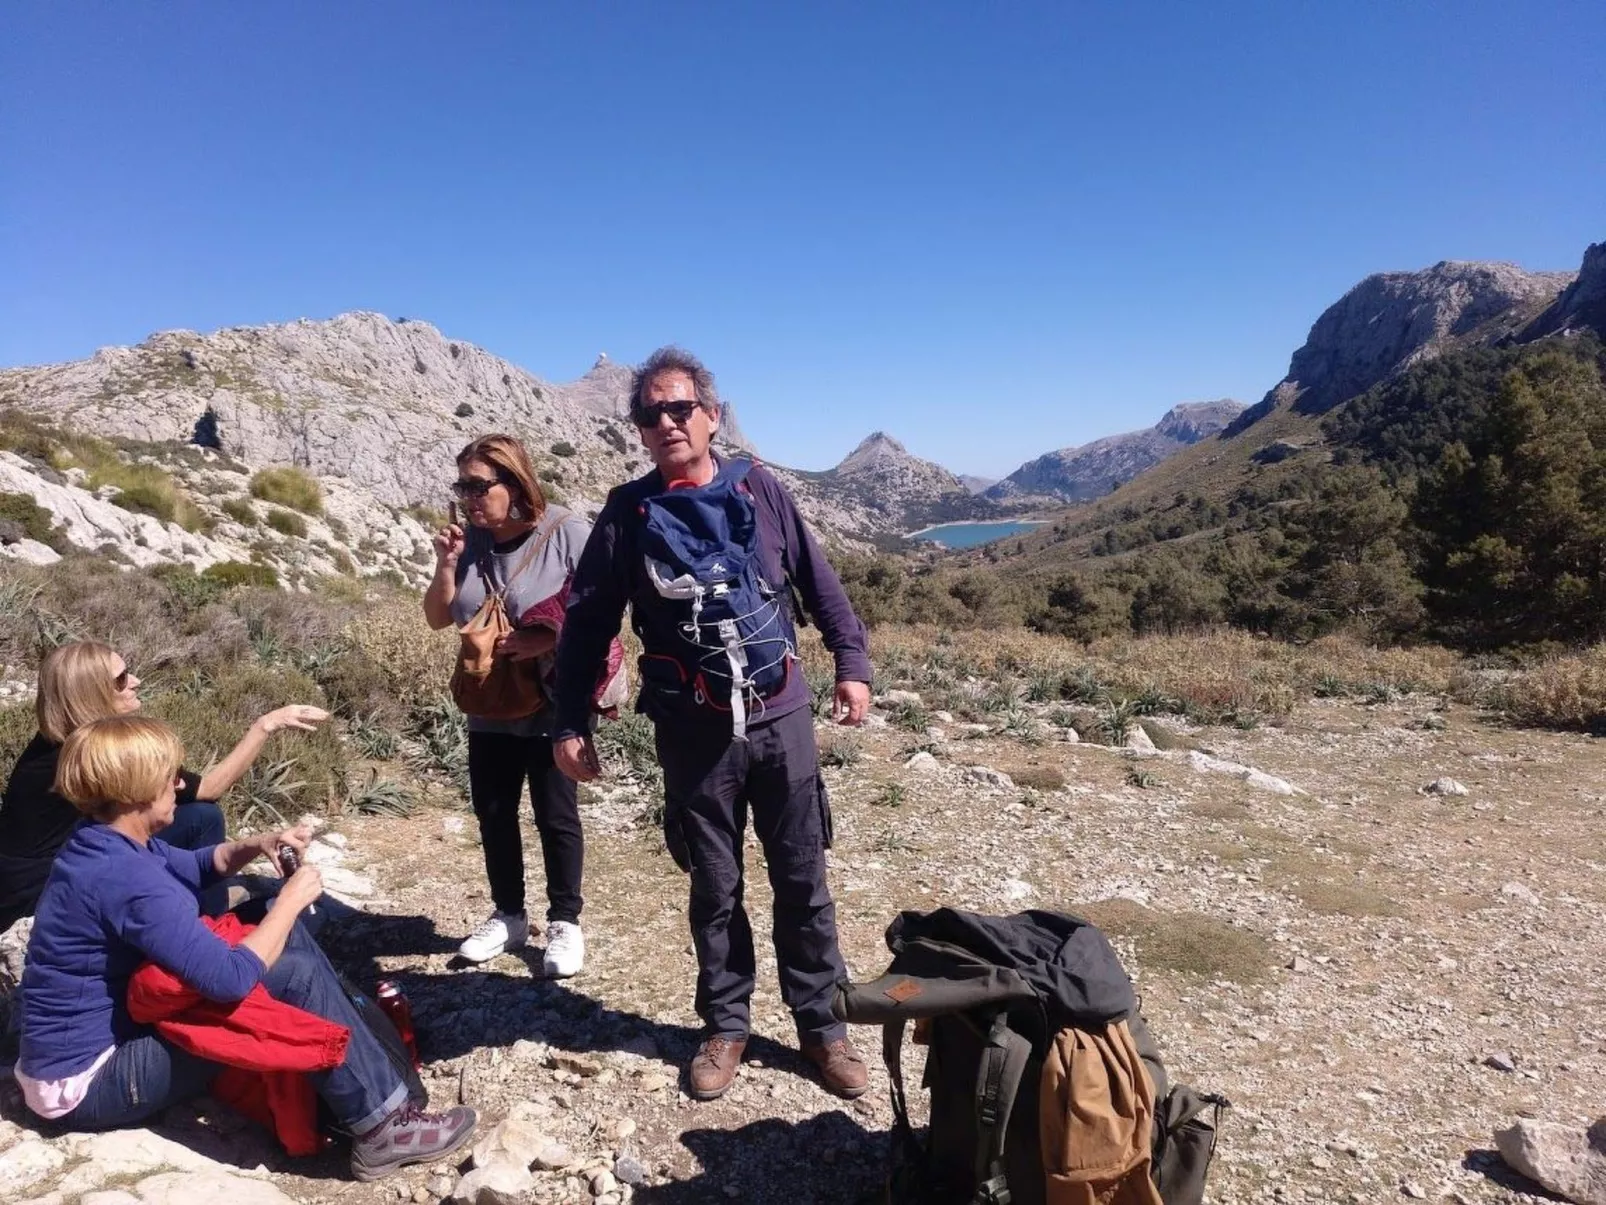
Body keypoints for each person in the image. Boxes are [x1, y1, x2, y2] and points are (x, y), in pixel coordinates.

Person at [552, 347, 874, 1101]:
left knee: (804, 878)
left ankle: (823, 1029)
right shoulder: (626, 514)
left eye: (680, 408)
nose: (666, 422)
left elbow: (819, 584)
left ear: (711, 416)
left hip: (781, 714)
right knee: (715, 885)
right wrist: (569, 720)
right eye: (650, 413)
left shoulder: (761, 489)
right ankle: (726, 1025)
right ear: (637, 429)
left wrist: (852, 663)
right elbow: (587, 622)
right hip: (692, 732)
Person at [16, 715, 476, 1179]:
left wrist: (257, 844)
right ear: (136, 792)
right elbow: (229, 979)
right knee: (290, 966)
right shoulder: (126, 878)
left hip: (98, 1050)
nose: (179, 783)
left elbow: (196, 864)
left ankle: (374, 1090)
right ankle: (383, 1129)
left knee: (279, 937)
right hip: (87, 1082)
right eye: (168, 776)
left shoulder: (108, 840)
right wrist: (291, 903)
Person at [0, 641, 328, 934]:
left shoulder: (59, 745)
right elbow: (209, 788)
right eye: (121, 679)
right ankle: (208, 928)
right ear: (91, 693)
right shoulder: (97, 755)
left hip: (33, 880)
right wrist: (265, 725)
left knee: (190, 816)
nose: (135, 682)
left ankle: (194, 907)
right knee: (202, 817)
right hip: (44, 891)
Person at [422, 434, 592, 975]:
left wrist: (549, 637)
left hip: (552, 697)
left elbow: (602, 605)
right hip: (490, 699)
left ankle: (565, 921)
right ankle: (509, 915)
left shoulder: (565, 531)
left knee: (555, 812)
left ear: (514, 482)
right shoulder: (471, 541)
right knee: (494, 813)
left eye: (478, 486)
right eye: (462, 487)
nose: (469, 498)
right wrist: (446, 565)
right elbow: (437, 617)